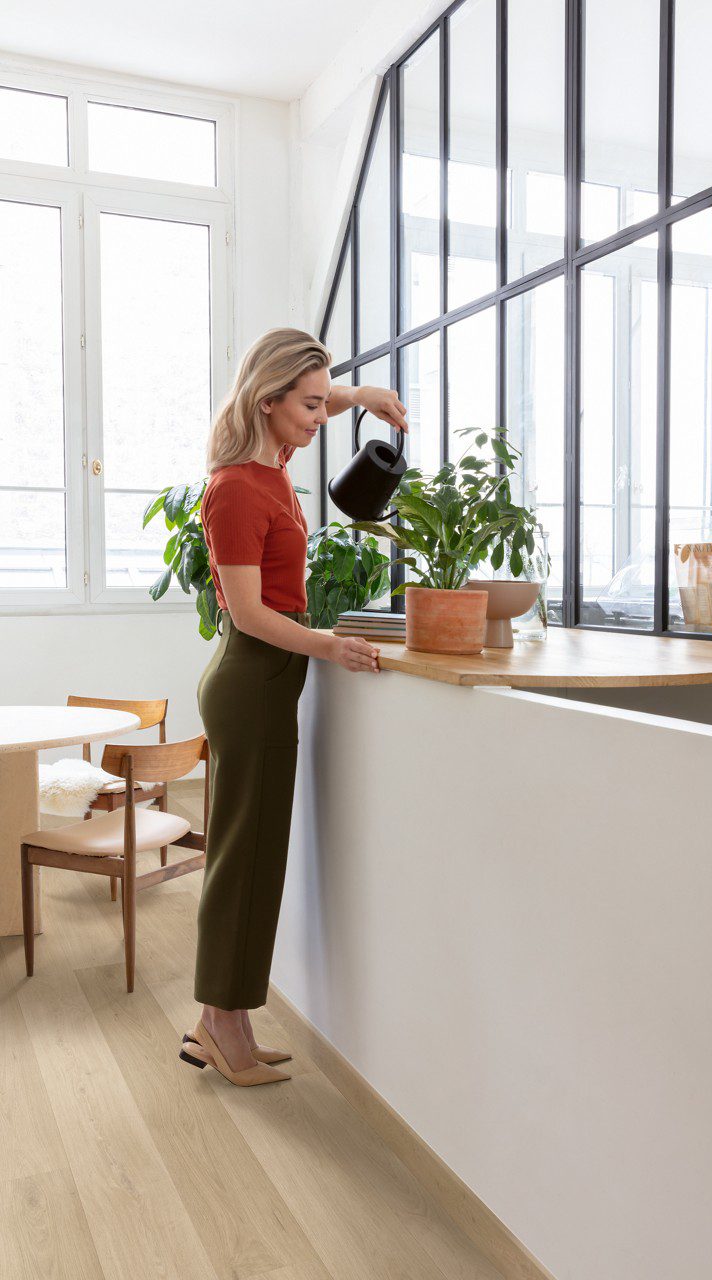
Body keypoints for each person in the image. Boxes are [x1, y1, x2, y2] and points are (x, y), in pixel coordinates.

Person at [179, 327, 408, 1086]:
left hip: (267, 679)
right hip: (254, 678)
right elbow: (247, 613)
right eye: (310, 406)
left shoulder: (274, 461)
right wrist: (329, 646)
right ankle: (221, 1024)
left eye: (325, 402)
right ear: (268, 401)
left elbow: (316, 392)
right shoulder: (238, 487)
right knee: (245, 857)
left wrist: (363, 395)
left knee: (251, 852)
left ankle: (224, 1019)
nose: (322, 417)